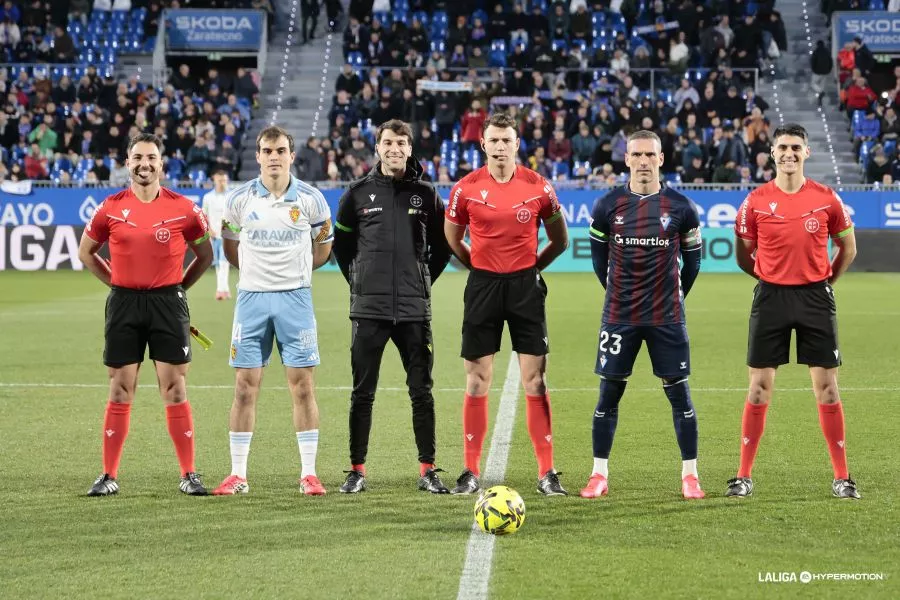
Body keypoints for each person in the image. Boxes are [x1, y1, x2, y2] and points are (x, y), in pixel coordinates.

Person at [78, 133, 214, 497]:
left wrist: (179, 288)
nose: (144, 164)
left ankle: (189, 473)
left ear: (161, 163)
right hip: (124, 303)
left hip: (168, 304)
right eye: (138, 158)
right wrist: (116, 283)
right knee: (120, 388)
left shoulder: (185, 208)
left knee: (174, 386)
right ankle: (108, 475)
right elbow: (87, 253)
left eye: (151, 158)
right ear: (128, 162)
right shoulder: (109, 207)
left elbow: (206, 256)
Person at [728, 123, 859, 499]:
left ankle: (842, 477)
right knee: (758, 389)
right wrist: (767, 277)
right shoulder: (754, 200)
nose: (789, 153)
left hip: (816, 298)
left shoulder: (826, 198)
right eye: (782, 147)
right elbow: (743, 252)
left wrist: (825, 283)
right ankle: (743, 476)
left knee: (828, 390)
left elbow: (848, 248)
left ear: (807, 152)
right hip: (771, 298)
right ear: (772, 152)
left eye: (796, 147)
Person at [444, 112, 570, 496]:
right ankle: (469, 470)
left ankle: (546, 472)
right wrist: (479, 269)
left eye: (506, 140)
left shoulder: (539, 187)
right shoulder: (465, 188)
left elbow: (559, 240)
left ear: (518, 144)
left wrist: (531, 270)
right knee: (477, 378)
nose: (500, 147)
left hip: (525, 289)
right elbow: (453, 239)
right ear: (483, 145)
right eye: (493, 141)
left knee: (536, 379)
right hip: (483, 287)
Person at [581, 130, 705, 500]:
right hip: (620, 316)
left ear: (661, 159)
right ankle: (599, 474)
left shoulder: (681, 207)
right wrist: (619, 294)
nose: (643, 161)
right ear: (627, 159)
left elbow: (694, 264)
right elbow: (599, 261)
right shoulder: (607, 205)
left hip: (666, 318)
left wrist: (674, 297)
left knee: (679, 395)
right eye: (637, 155)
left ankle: (690, 476)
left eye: (650, 154)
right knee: (609, 395)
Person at [212, 126, 334, 496]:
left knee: (302, 386)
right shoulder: (239, 199)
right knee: (245, 388)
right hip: (251, 300)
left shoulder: (312, 200)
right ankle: (237, 475)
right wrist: (252, 273)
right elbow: (229, 245)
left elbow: (324, 246)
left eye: (281, 150)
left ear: (291, 156)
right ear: (258, 156)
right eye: (267, 150)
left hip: (295, 300)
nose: (274, 157)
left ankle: (309, 474)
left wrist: (295, 274)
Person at [332, 119, 453, 494]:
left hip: (415, 311)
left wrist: (420, 281)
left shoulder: (427, 194)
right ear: (378, 147)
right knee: (362, 392)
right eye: (388, 142)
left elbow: (443, 247)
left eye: (401, 143)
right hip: (369, 309)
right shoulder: (356, 194)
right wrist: (361, 282)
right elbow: (342, 248)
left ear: (410, 148)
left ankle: (428, 470)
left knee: (422, 391)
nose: (395, 149)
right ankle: (356, 470)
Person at [202, 167, 232, 300]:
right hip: (214, 235)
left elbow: (235, 215)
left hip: (228, 235)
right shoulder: (208, 197)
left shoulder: (231, 196)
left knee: (224, 262)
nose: (222, 183)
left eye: (224, 180)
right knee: (218, 264)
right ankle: (224, 290)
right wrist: (209, 230)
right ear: (214, 180)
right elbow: (204, 215)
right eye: (220, 180)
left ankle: (221, 290)